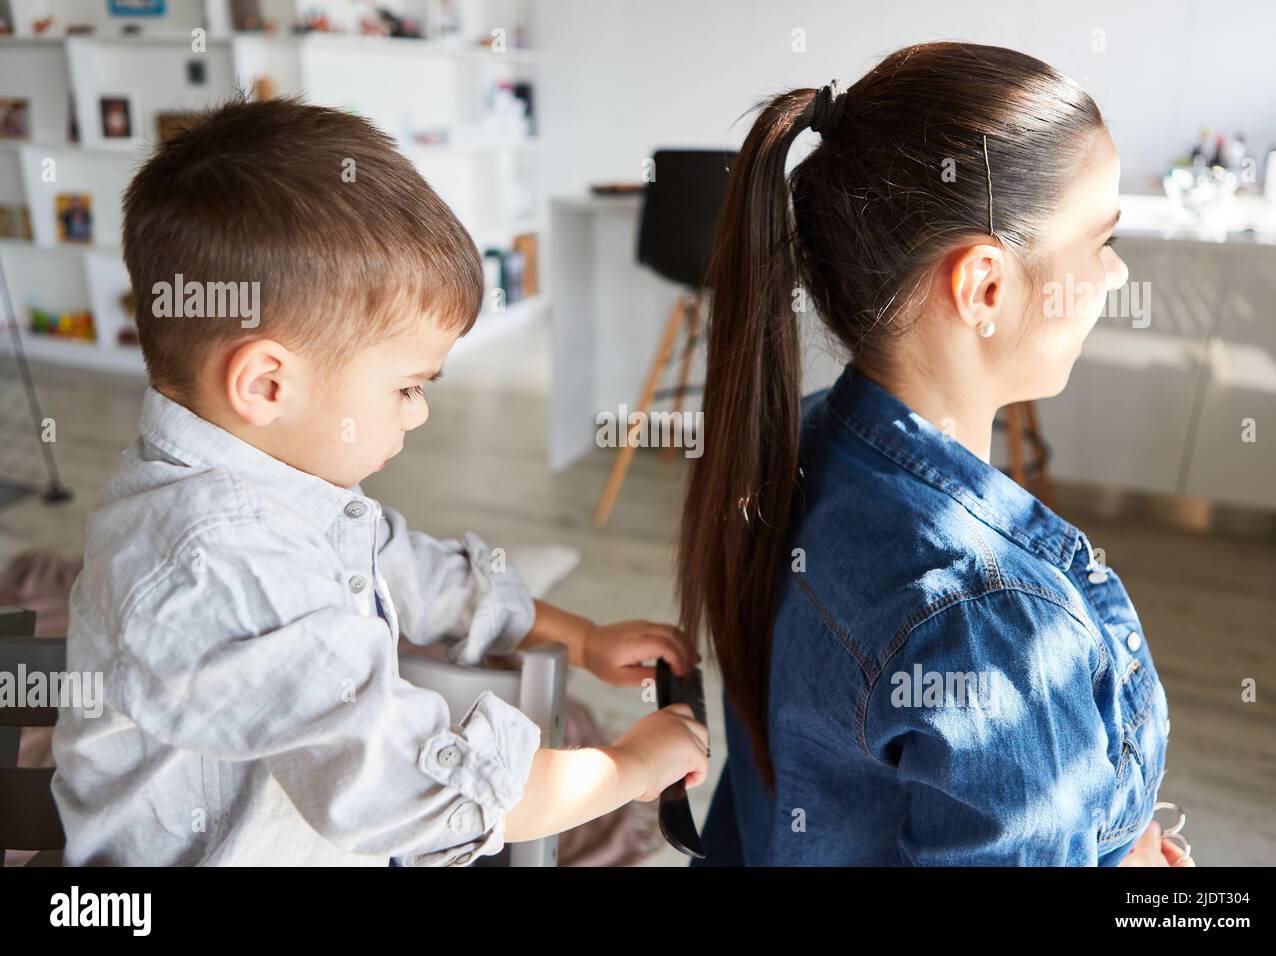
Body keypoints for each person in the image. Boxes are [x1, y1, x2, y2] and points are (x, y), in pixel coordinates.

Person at [51, 96, 708, 866]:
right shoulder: (217, 569)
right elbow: (417, 796)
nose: (420, 413)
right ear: (267, 385)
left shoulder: (271, 478)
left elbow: (405, 563)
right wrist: (630, 767)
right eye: (407, 387)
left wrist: (580, 637)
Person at [678, 41, 1191, 866]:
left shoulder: (798, 448)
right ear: (984, 286)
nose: (1114, 270)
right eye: (1101, 240)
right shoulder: (989, 626)